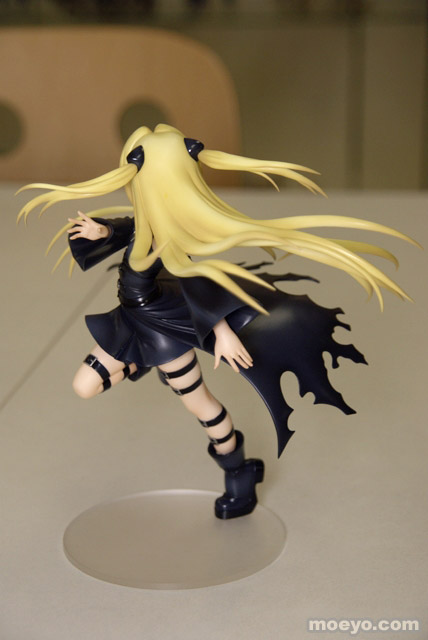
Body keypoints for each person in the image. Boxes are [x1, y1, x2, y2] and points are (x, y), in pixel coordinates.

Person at [17, 124, 416, 519]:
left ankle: (240, 471)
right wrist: (101, 230)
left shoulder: (172, 238)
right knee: (84, 385)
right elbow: (130, 227)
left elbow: (197, 284)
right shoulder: (147, 221)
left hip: (165, 331)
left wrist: (222, 332)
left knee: (202, 407)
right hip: (130, 319)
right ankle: (142, 363)